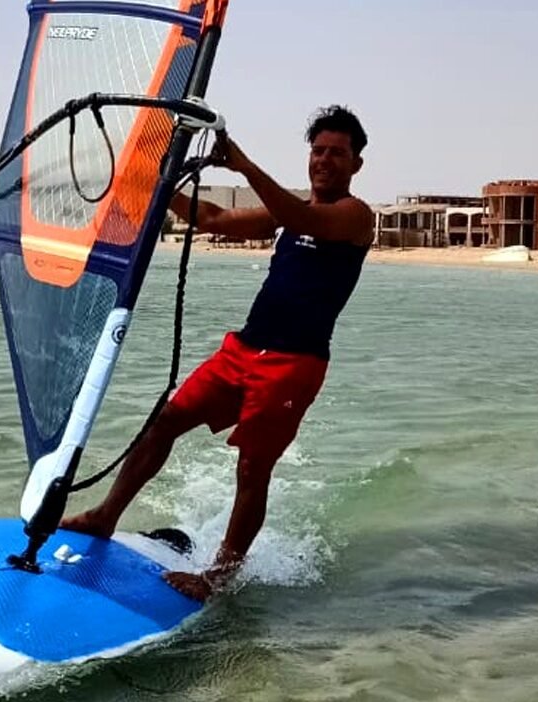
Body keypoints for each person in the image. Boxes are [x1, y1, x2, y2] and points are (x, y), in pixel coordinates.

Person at [61, 105, 375, 601]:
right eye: (318, 151)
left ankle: (218, 575)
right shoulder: (288, 212)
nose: (324, 161)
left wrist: (244, 165)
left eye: (337, 153)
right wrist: (155, 185)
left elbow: (306, 217)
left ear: (357, 163)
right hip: (244, 349)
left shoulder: (355, 216)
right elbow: (214, 217)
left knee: (253, 468)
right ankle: (104, 516)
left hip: (294, 364)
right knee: (164, 422)